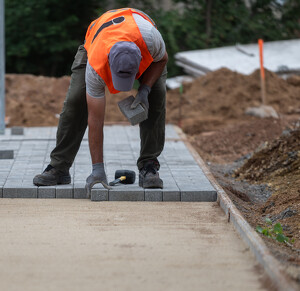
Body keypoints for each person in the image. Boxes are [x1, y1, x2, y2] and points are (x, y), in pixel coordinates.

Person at [33, 8, 168, 197]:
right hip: (95, 44)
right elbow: (95, 119)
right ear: (109, 65)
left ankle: (149, 165)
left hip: (139, 37)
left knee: (157, 93)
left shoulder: (152, 39)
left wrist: (145, 89)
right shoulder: (96, 64)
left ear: (139, 63)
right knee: (75, 102)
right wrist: (98, 169)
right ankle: (59, 167)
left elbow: (162, 60)